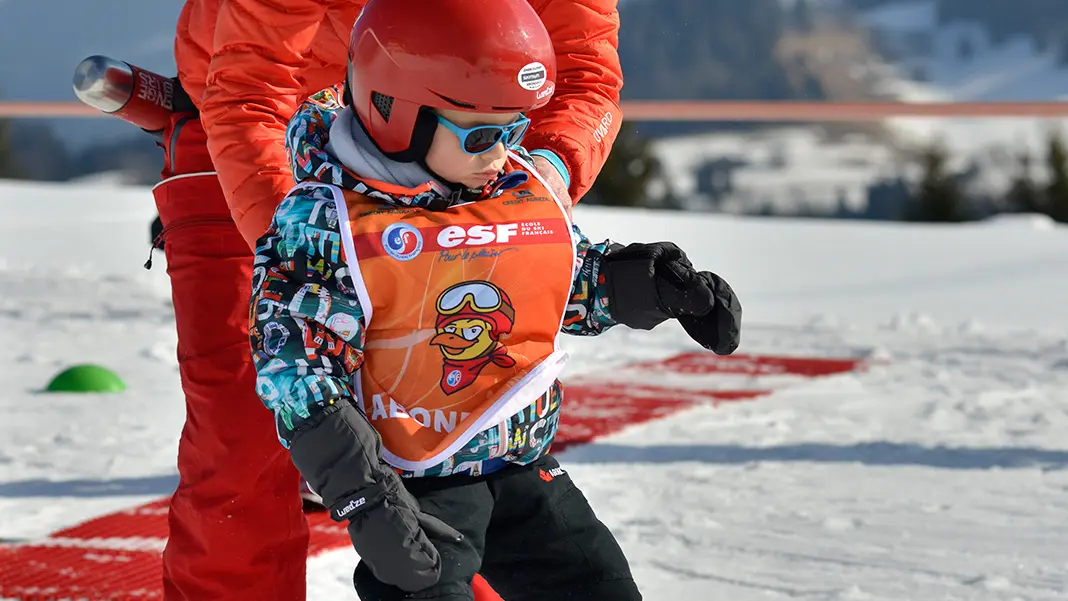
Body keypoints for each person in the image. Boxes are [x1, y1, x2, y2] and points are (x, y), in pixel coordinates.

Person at [248, 1, 743, 599]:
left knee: (599, 585)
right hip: (412, 490)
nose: (502, 151)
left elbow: (565, 281)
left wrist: (654, 286)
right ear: (395, 111)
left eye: (514, 130)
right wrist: (369, 499)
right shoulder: (329, 226)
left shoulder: (516, 187)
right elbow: (299, 372)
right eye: (483, 134)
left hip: (521, 468)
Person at [153, 0, 625, 599]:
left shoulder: (490, 149)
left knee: (467, 421)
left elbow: (584, 67)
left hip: (463, 143)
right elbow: (251, 82)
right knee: (245, 443)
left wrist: (532, 184)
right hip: (251, 139)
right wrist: (319, 251)